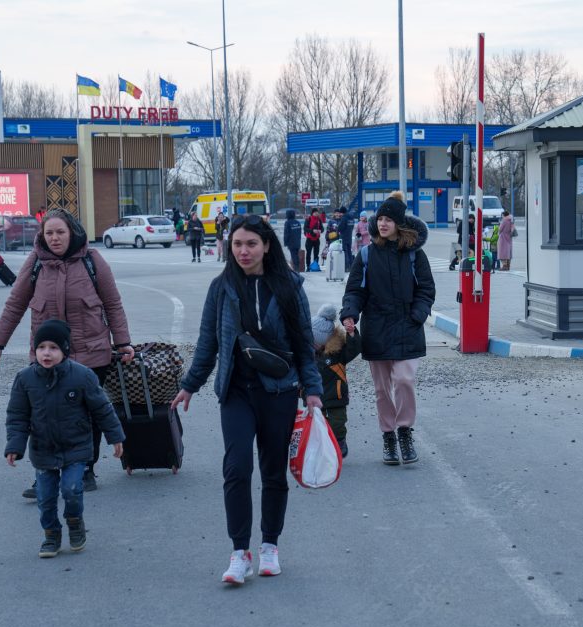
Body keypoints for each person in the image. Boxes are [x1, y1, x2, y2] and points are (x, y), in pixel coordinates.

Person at [171, 213, 323, 585]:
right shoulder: (221, 288)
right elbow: (209, 342)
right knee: (236, 468)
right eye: (237, 243)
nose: (243, 250)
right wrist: (190, 384)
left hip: (280, 392)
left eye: (251, 243)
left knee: (273, 471)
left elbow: (304, 343)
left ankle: (270, 544)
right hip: (236, 392)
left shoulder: (289, 286)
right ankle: (240, 552)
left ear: (267, 246)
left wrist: (313, 389)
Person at [0, 208, 135, 496]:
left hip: (91, 351)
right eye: (49, 233)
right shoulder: (36, 264)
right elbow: (15, 305)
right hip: (48, 356)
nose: (54, 238)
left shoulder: (93, 261)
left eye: (60, 232)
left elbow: (113, 303)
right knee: (47, 414)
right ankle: (47, 474)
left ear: (73, 233)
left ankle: (85, 470)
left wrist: (123, 342)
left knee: (87, 413)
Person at [5, 319, 125, 558]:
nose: (46, 353)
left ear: (65, 351)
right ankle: (51, 534)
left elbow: (102, 408)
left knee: (71, 490)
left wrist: (115, 437)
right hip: (43, 449)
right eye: (41, 347)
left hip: (76, 447)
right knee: (46, 497)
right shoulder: (25, 379)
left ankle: (74, 521)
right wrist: (15, 446)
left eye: (53, 348)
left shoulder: (82, 376)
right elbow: (17, 415)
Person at [341, 190, 436, 466]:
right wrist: (350, 314)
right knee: (382, 390)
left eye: (388, 219)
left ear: (398, 223)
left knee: (405, 380)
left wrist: (417, 315)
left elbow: (426, 289)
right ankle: (388, 436)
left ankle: (404, 431)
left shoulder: (415, 255)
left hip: (408, 327)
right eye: (379, 219)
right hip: (377, 330)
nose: (382, 223)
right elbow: (355, 291)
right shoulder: (368, 255)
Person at [309, 303, 362, 458]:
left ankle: (340, 441)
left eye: (316, 341)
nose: (314, 344)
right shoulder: (306, 356)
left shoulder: (337, 353)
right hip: (315, 398)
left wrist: (352, 334)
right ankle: (321, 448)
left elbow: (354, 348)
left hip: (336, 397)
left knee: (338, 423)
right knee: (316, 425)